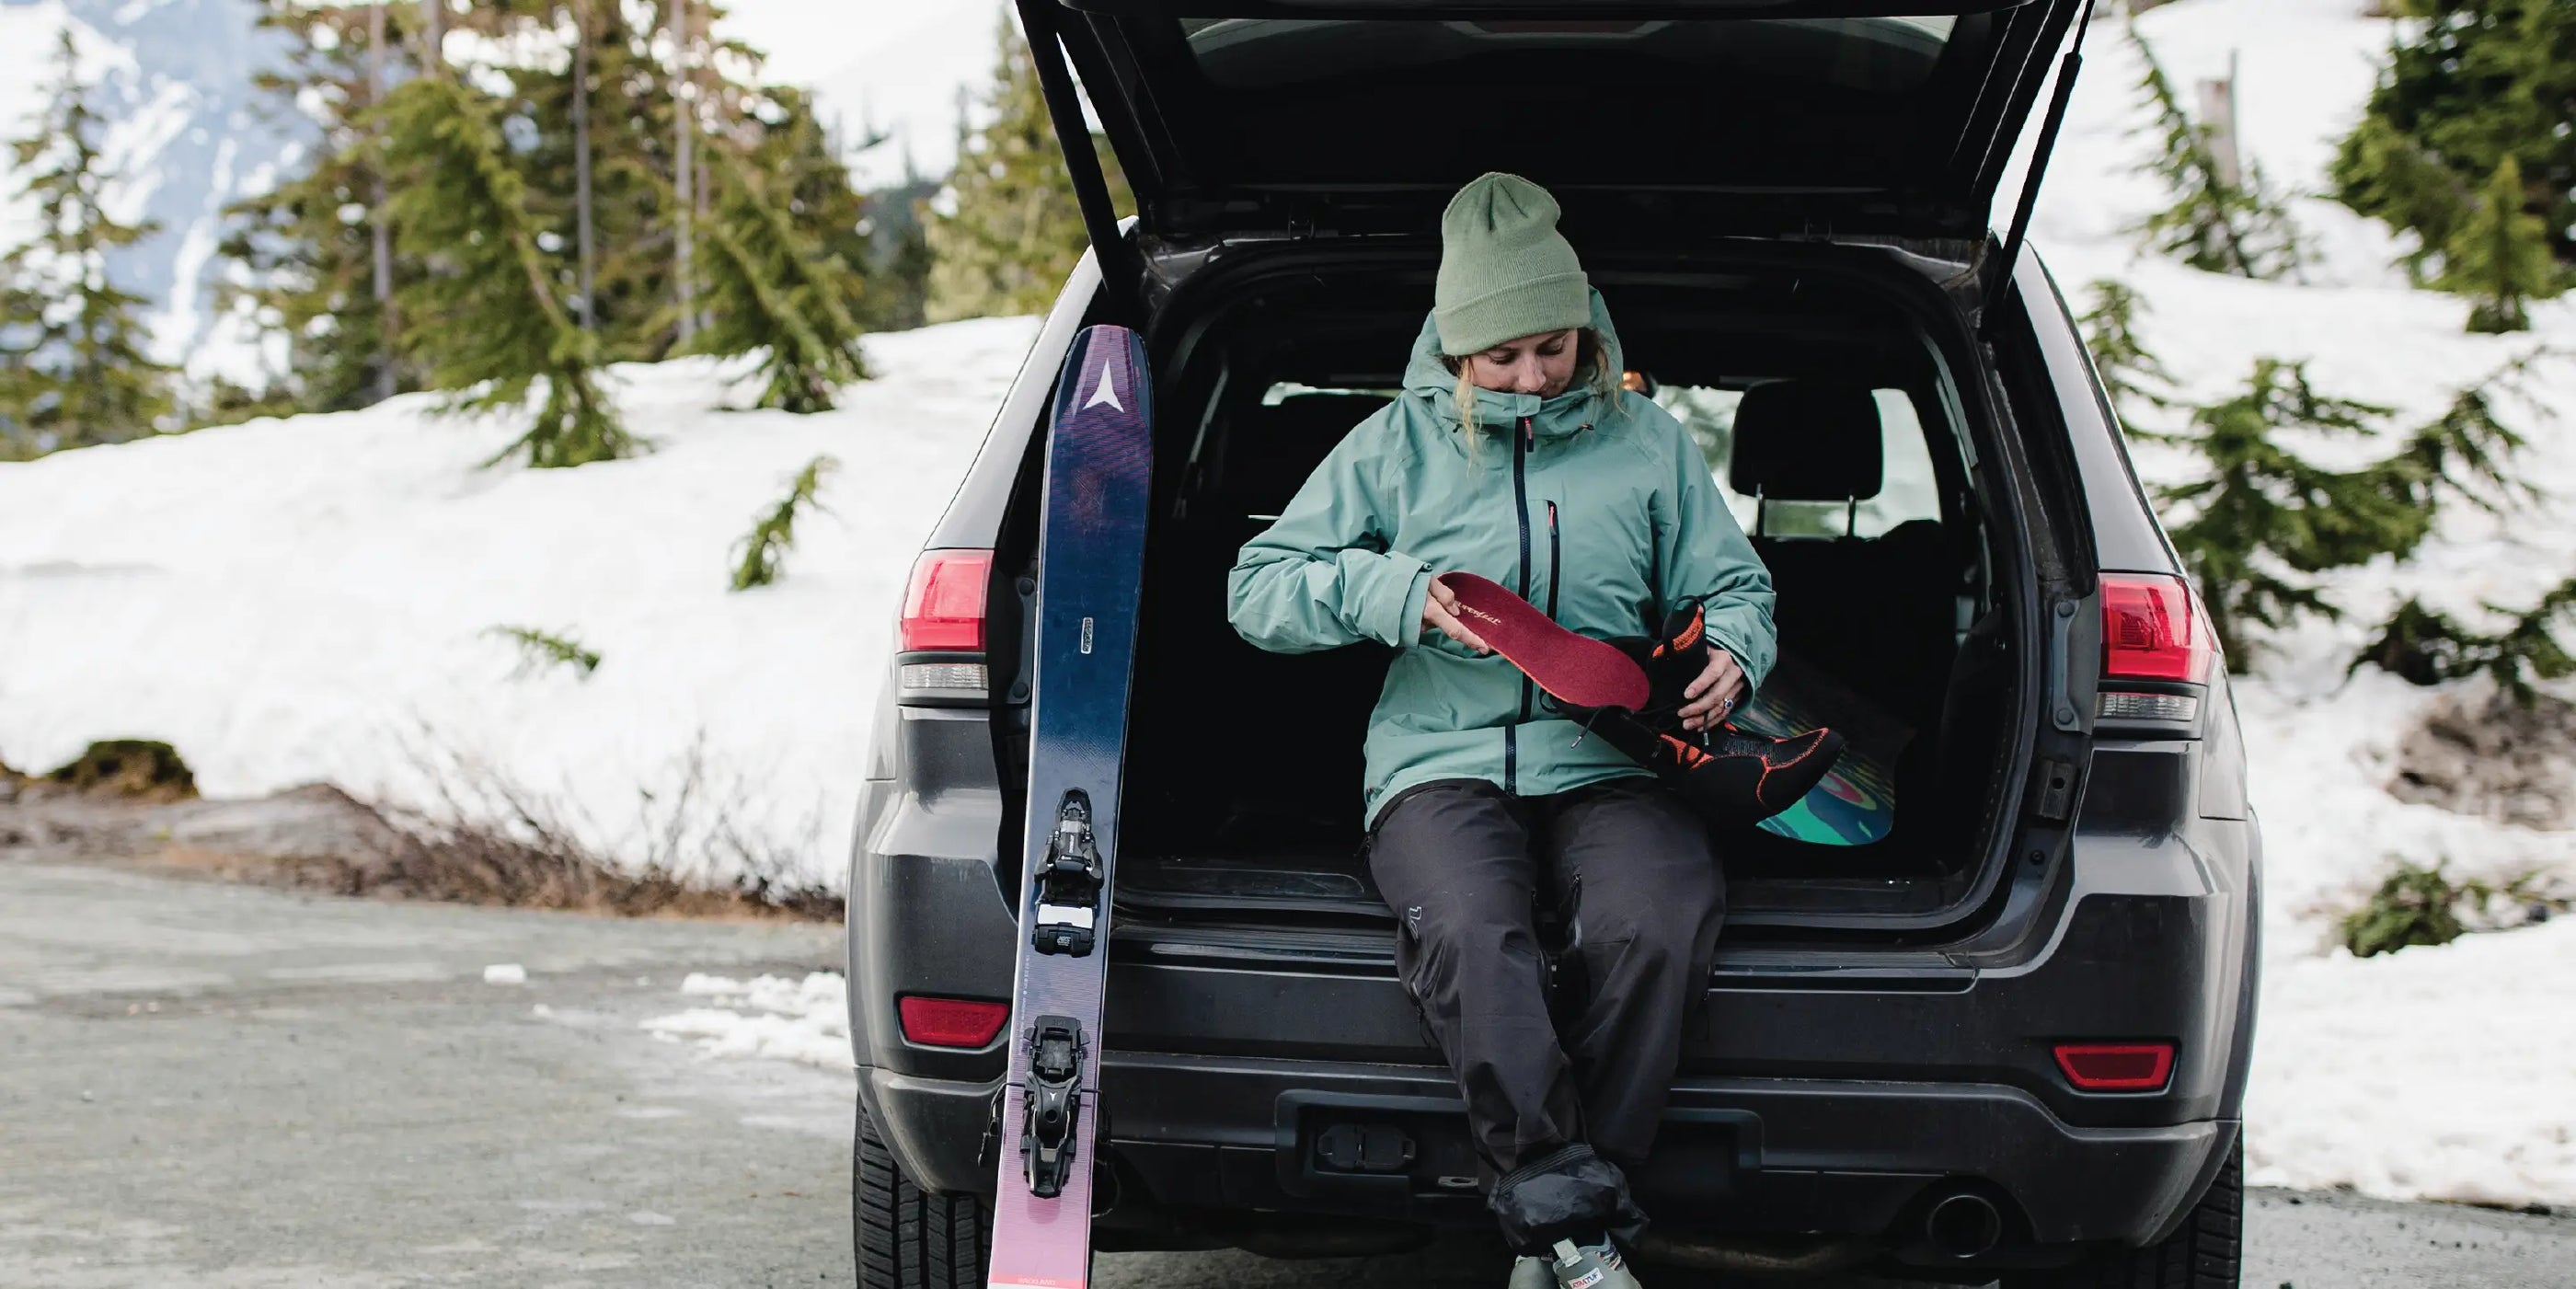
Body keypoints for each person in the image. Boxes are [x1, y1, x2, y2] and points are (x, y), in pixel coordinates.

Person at [1225, 173, 1777, 1288]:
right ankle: (1578, 1232)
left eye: (1554, 348)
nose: (1533, 377)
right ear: (1454, 349)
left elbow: (1735, 584)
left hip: (1610, 759)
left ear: (1585, 327)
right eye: (1502, 357)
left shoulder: (1650, 445)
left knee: (1654, 917)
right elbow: (1257, 589)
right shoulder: (1393, 446)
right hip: (1440, 764)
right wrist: (1388, 594)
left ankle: (1572, 1224)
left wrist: (1732, 647)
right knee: (1476, 929)